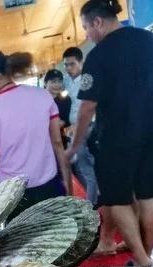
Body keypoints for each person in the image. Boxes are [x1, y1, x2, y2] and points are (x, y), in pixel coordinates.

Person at [69, 0, 153, 267]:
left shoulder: (98, 56)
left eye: (86, 28)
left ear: (97, 22)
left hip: (116, 135)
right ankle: (144, 257)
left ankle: (142, 259)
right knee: (149, 196)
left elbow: (87, 107)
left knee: (116, 198)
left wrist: (74, 145)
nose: (87, 35)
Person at [0, 50, 70, 217]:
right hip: (49, 186)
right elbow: (57, 143)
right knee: (55, 231)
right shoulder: (42, 95)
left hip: (14, 194)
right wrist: (69, 186)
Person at [63, 46, 99, 205]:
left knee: (88, 169)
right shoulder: (67, 81)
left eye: (72, 64)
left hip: (87, 127)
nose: (68, 68)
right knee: (85, 168)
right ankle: (95, 200)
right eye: (66, 65)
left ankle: (92, 203)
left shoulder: (87, 79)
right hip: (76, 129)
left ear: (80, 62)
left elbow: (89, 107)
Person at [44, 69, 72, 144]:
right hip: (43, 140)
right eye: (53, 82)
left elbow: (65, 121)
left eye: (60, 81)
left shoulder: (66, 99)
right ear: (45, 83)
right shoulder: (39, 98)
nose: (57, 85)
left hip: (60, 139)